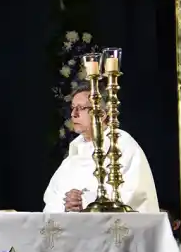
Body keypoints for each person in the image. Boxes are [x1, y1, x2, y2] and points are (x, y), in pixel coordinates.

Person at [43, 82, 159, 212]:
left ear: (102, 114)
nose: (73, 114)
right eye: (73, 107)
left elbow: (135, 192)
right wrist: (67, 204)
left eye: (81, 108)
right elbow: (52, 198)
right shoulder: (75, 152)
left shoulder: (120, 143)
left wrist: (87, 201)